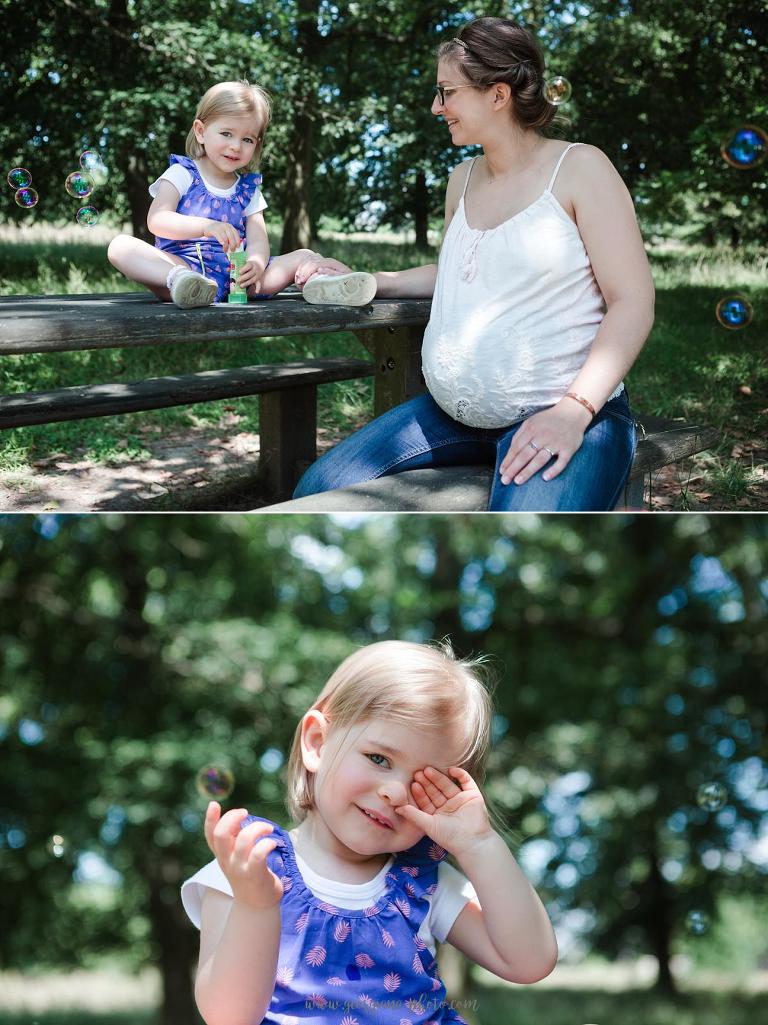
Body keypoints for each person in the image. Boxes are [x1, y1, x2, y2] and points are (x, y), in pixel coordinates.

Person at [293, 17, 655, 511]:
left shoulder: (581, 168)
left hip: (570, 413)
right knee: (318, 490)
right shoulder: (461, 179)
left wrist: (574, 410)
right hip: (451, 417)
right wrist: (369, 280)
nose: (436, 107)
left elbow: (632, 301)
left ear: (498, 95)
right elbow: (459, 274)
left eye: (447, 92)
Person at [181, 640, 557, 1025]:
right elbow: (228, 1017)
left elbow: (528, 962)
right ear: (317, 743)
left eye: (425, 781)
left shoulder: (421, 881)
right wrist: (255, 905)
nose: (394, 793)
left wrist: (479, 844)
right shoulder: (250, 866)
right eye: (379, 759)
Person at [107, 81, 375, 309]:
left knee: (305, 255)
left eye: (247, 139)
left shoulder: (248, 188)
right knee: (120, 246)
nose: (236, 146)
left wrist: (257, 264)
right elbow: (157, 220)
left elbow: (259, 239)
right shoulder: (182, 173)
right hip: (187, 266)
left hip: (242, 278)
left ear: (256, 144)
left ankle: (322, 285)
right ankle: (184, 283)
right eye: (226, 133)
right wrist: (206, 226)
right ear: (201, 131)